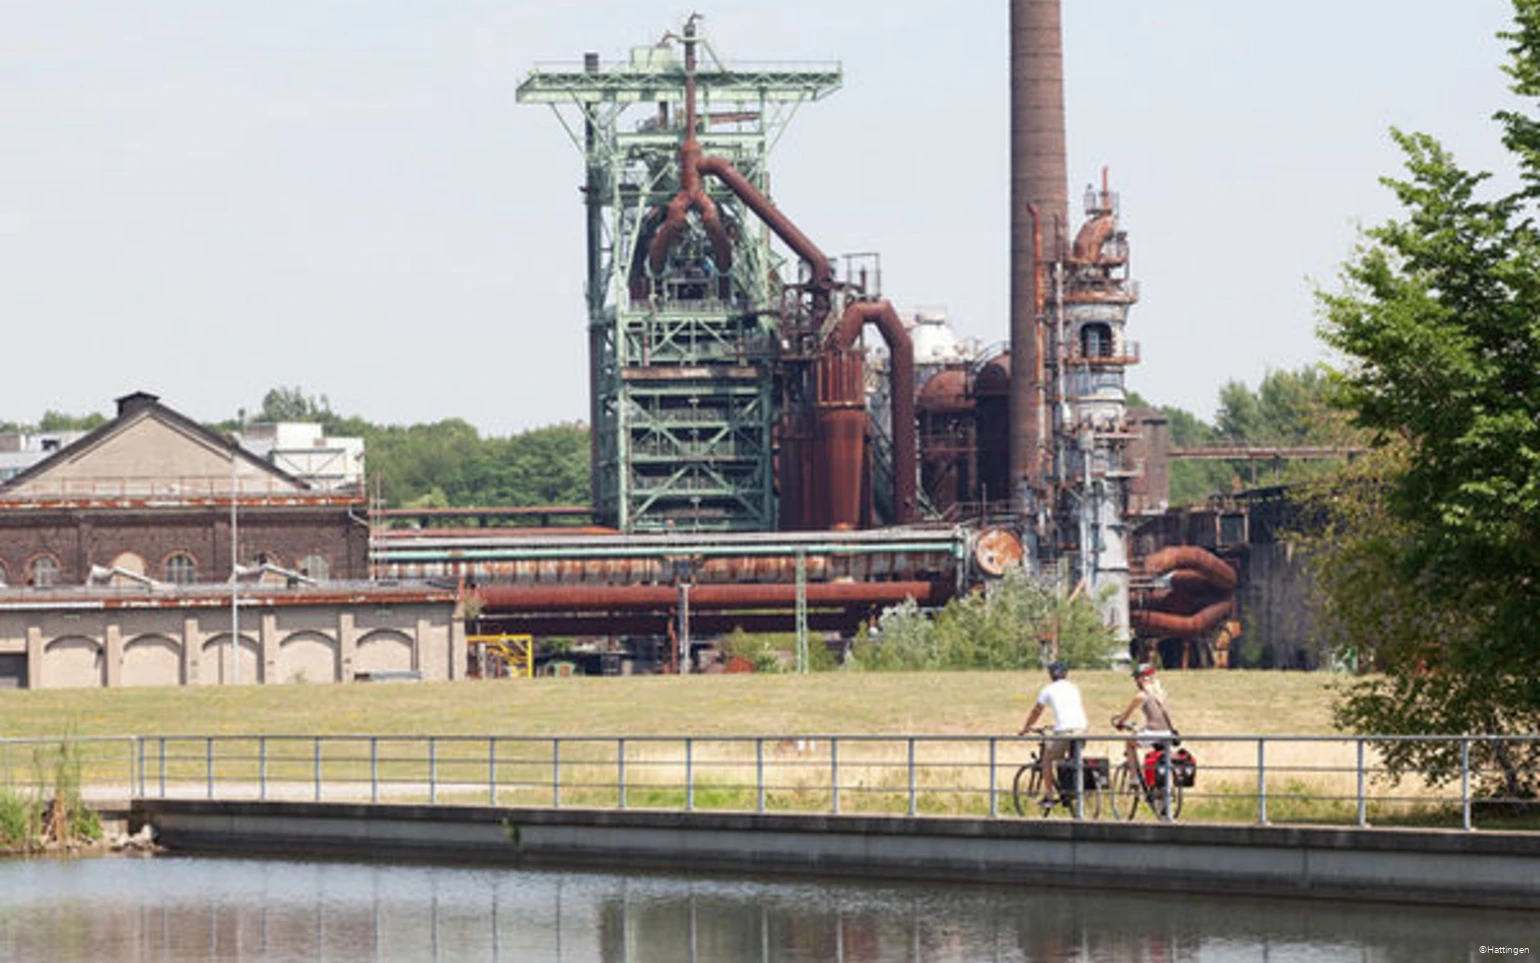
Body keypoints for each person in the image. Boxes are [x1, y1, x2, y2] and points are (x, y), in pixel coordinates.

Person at [1017, 660, 1088, 807]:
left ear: (1051, 675)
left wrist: (1025, 728)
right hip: (1082, 728)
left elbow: (1036, 711)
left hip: (1064, 730)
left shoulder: (1048, 690)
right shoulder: (1073, 687)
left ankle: (1049, 796)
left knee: (1047, 760)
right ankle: (1073, 792)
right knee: (1073, 760)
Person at [1113, 663, 1176, 783]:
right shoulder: (1163, 694)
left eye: (1136, 678)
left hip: (1153, 733)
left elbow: (1125, 716)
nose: (1135, 681)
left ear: (1141, 679)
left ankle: (1134, 776)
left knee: (1129, 743)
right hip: (1168, 734)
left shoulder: (1141, 696)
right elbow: (1157, 718)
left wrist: (1120, 723)